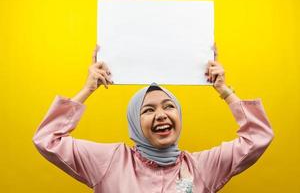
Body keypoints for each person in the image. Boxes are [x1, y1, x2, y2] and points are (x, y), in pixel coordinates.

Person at [33, 45, 274, 193]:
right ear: (135, 123)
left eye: (169, 106)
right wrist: (87, 89)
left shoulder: (202, 168)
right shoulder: (110, 162)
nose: (161, 114)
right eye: (147, 110)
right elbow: (47, 139)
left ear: (178, 115)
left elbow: (258, 137)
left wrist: (224, 91)